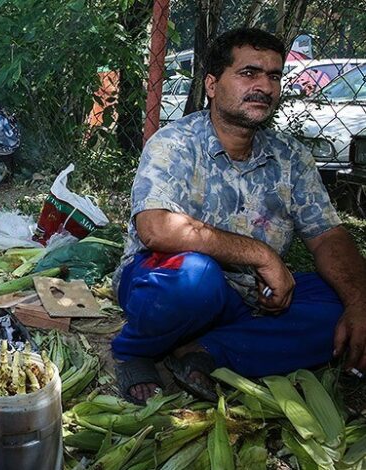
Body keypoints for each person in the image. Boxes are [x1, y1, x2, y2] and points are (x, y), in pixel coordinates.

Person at [112, 28, 366, 405]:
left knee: (342, 303)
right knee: (195, 279)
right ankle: (133, 350)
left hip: (254, 297)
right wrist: (262, 254)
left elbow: (328, 236)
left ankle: (206, 351)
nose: (264, 85)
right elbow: (155, 228)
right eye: (249, 73)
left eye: (274, 76)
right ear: (212, 85)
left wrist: (359, 303)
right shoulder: (174, 143)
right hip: (169, 282)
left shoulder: (291, 157)